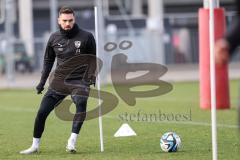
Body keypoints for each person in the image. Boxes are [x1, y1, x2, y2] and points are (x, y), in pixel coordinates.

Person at [20, 6, 96, 154]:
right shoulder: (54, 38)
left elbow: (92, 59)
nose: (68, 23)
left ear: (74, 19)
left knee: (80, 102)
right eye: (64, 21)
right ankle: (35, 146)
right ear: (59, 21)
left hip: (79, 81)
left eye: (70, 20)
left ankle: (72, 141)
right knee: (42, 112)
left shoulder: (86, 36)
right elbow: (48, 61)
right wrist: (42, 82)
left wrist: (90, 77)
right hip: (59, 81)